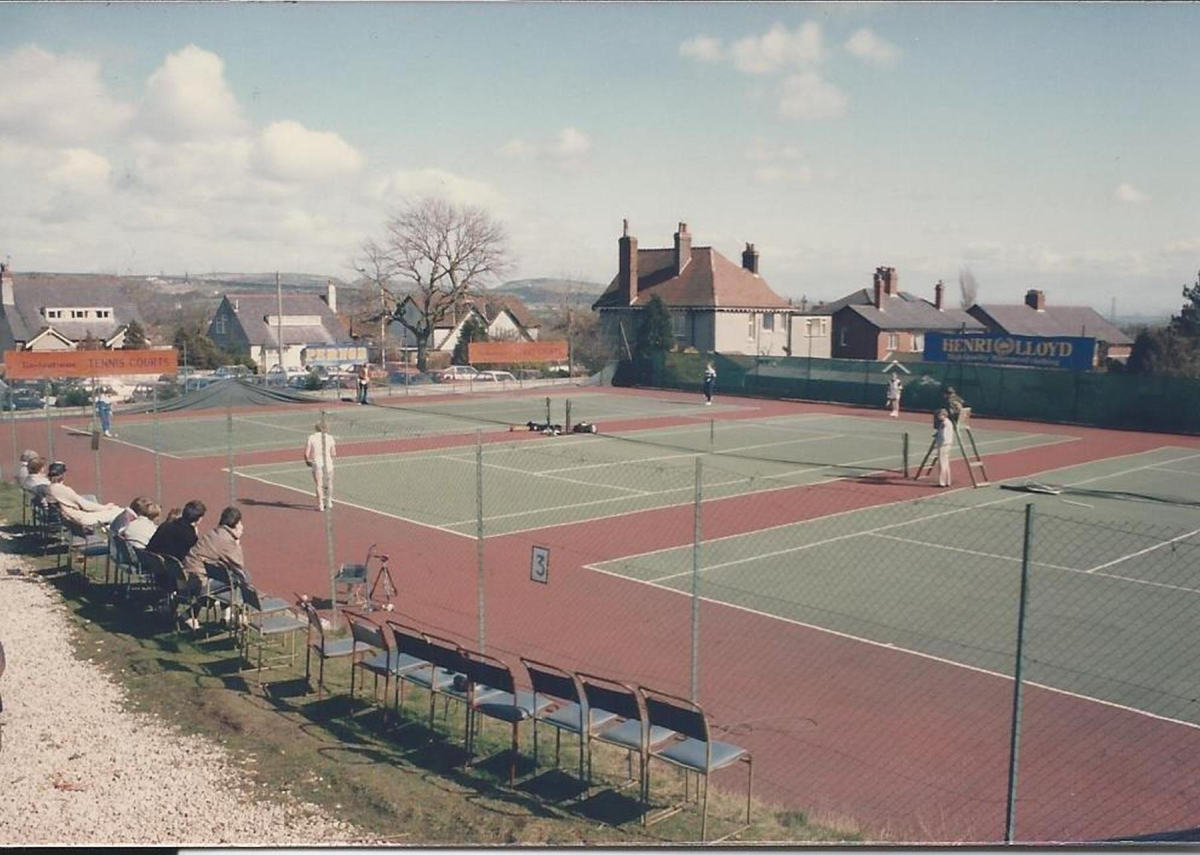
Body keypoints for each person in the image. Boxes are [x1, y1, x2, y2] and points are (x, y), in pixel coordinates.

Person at [182, 506, 247, 630]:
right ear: (236, 524)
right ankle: (235, 616)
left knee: (225, 577)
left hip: (187, 572)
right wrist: (237, 543)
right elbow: (239, 565)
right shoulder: (227, 540)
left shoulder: (214, 532)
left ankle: (226, 616)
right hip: (198, 580)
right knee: (237, 578)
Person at [43, 461, 125, 527]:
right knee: (120, 511)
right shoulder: (63, 490)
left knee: (115, 510)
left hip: (72, 517)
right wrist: (105, 507)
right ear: (62, 475)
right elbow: (86, 505)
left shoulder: (48, 488)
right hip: (80, 518)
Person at [304, 422, 336, 511]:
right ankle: (329, 501)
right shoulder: (330, 438)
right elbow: (333, 453)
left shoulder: (311, 438)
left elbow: (306, 453)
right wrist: (331, 459)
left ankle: (320, 504)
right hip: (327, 462)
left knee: (319, 484)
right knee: (329, 482)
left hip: (317, 462)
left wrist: (307, 461)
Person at [933, 408, 955, 488]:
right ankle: (947, 481)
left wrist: (938, 444)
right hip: (948, 444)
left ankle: (942, 482)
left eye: (939, 415)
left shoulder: (944, 423)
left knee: (942, 464)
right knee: (946, 463)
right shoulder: (949, 422)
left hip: (943, 445)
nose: (938, 417)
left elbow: (943, 435)